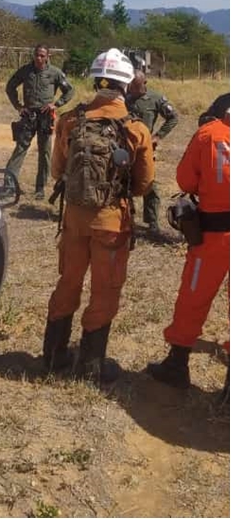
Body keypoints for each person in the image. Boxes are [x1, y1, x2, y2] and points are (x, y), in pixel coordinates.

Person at [42, 49, 155, 384]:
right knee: (105, 290)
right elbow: (144, 184)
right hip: (111, 222)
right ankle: (90, 365)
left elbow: (57, 171)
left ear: (95, 79)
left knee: (69, 281)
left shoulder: (70, 119)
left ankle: (53, 356)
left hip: (74, 219)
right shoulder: (135, 129)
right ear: (126, 83)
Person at [146, 95, 229, 401]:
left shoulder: (209, 134)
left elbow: (185, 179)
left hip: (214, 237)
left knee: (193, 297)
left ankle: (177, 364)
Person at [5, 44, 75, 199]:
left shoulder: (55, 73)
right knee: (20, 149)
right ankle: (9, 185)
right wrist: (18, 106)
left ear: (48, 56)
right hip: (28, 115)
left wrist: (55, 104)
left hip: (45, 116)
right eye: (37, 55)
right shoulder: (25, 71)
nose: (39, 58)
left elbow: (70, 90)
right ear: (33, 55)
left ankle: (40, 188)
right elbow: (10, 87)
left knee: (44, 152)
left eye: (42, 55)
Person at [126, 70, 180, 232]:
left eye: (137, 85)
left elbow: (173, 117)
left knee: (149, 183)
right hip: (125, 146)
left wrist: (158, 136)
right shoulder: (125, 99)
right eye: (132, 86)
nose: (133, 89)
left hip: (145, 148)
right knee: (123, 182)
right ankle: (126, 217)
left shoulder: (155, 98)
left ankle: (152, 221)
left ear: (144, 83)